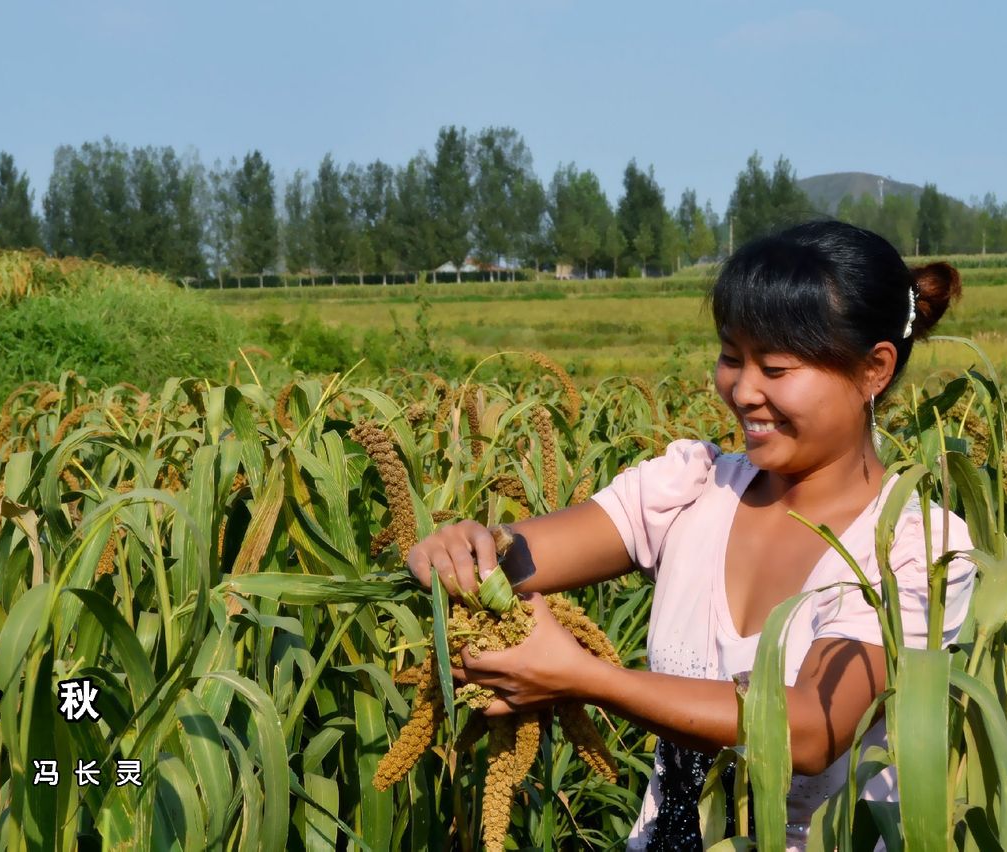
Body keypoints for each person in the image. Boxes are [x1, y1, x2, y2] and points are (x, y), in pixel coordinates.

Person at [405, 220, 976, 850]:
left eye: (777, 367)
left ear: (874, 369)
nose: (744, 390)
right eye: (732, 357)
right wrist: (468, 549)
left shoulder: (910, 546)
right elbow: (518, 560)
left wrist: (586, 678)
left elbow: (811, 730)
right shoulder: (692, 489)